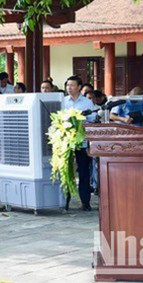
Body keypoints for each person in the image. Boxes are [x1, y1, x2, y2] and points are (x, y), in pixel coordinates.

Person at [61, 75, 97, 210]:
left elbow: (92, 119)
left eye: (72, 85)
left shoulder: (87, 103)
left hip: (82, 142)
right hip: (66, 142)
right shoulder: (63, 101)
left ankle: (85, 202)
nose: (69, 88)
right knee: (66, 172)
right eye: (67, 85)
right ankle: (65, 200)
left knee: (84, 172)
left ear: (79, 87)